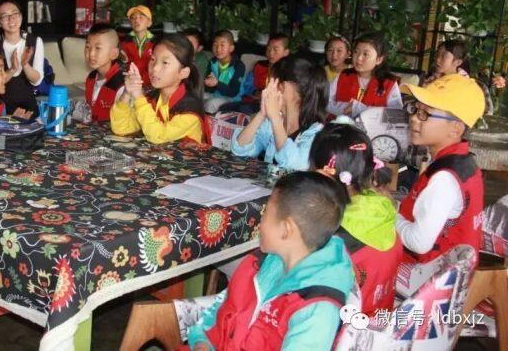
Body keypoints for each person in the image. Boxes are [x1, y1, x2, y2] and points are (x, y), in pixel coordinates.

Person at [186, 171, 353, 350]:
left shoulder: (316, 309)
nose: (260, 221)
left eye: (265, 213)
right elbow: (222, 306)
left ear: (286, 229)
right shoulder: (266, 262)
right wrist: (202, 341)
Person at [396, 74, 485, 296]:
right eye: (415, 110)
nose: (414, 118)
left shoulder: (444, 179)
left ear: (455, 128)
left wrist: (389, 213)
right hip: (450, 271)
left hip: (432, 282)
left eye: (425, 114)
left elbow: (418, 242)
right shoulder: (462, 162)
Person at [310, 123, 402, 316]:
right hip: (380, 320)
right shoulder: (382, 206)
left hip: (346, 327)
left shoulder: (332, 236)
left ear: (322, 173)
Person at [231, 57, 327, 170]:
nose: (267, 89)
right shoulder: (271, 124)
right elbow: (239, 150)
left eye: (272, 82)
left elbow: (295, 165)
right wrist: (262, 114)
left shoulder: (315, 132)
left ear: (282, 87)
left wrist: (275, 118)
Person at [111, 33, 204, 144]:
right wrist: (127, 93)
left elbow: (158, 136)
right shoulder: (152, 98)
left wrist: (139, 97)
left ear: (183, 73)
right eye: (153, 59)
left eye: (165, 62)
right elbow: (122, 128)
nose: (155, 68)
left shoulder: (190, 107)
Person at [0, 0, 53, 114]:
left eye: (15, 13)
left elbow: (37, 81)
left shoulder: (35, 41)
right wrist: (13, 69)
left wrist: (25, 65)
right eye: (5, 16)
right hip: (2, 107)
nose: (11, 19)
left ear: (21, 16)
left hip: (28, 105)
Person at [327, 33, 402, 119]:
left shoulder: (389, 83)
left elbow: (396, 115)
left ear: (379, 59)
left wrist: (360, 109)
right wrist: (344, 108)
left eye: (365, 54)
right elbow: (325, 102)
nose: (359, 58)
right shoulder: (344, 76)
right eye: (356, 52)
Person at [221, 33, 292, 114]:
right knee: (224, 108)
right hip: (252, 100)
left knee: (244, 110)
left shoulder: (288, 71)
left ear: (286, 52)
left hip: (270, 107)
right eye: (268, 49)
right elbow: (247, 84)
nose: (271, 53)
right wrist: (255, 92)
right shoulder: (260, 65)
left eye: (275, 50)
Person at [84, 23, 125, 122]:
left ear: (114, 53)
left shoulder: (121, 83)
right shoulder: (91, 77)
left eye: (98, 48)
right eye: (88, 47)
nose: (91, 53)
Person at [203, 30, 245, 114]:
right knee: (195, 97)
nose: (218, 49)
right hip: (215, 94)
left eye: (222, 45)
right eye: (215, 45)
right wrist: (207, 83)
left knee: (210, 104)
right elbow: (209, 88)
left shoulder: (238, 66)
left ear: (231, 48)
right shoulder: (212, 62)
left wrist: (217, 84)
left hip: (232, 99)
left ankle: (208, 122)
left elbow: (233, 92)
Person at [120, 5, 154, 85]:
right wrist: (123, 61)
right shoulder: (125, 42)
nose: (136, 20)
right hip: (131, 83)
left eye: (141, 17)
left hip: (151, 85)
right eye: (133, 18)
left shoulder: (156, 43)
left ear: (149, 23)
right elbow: (121, 67)